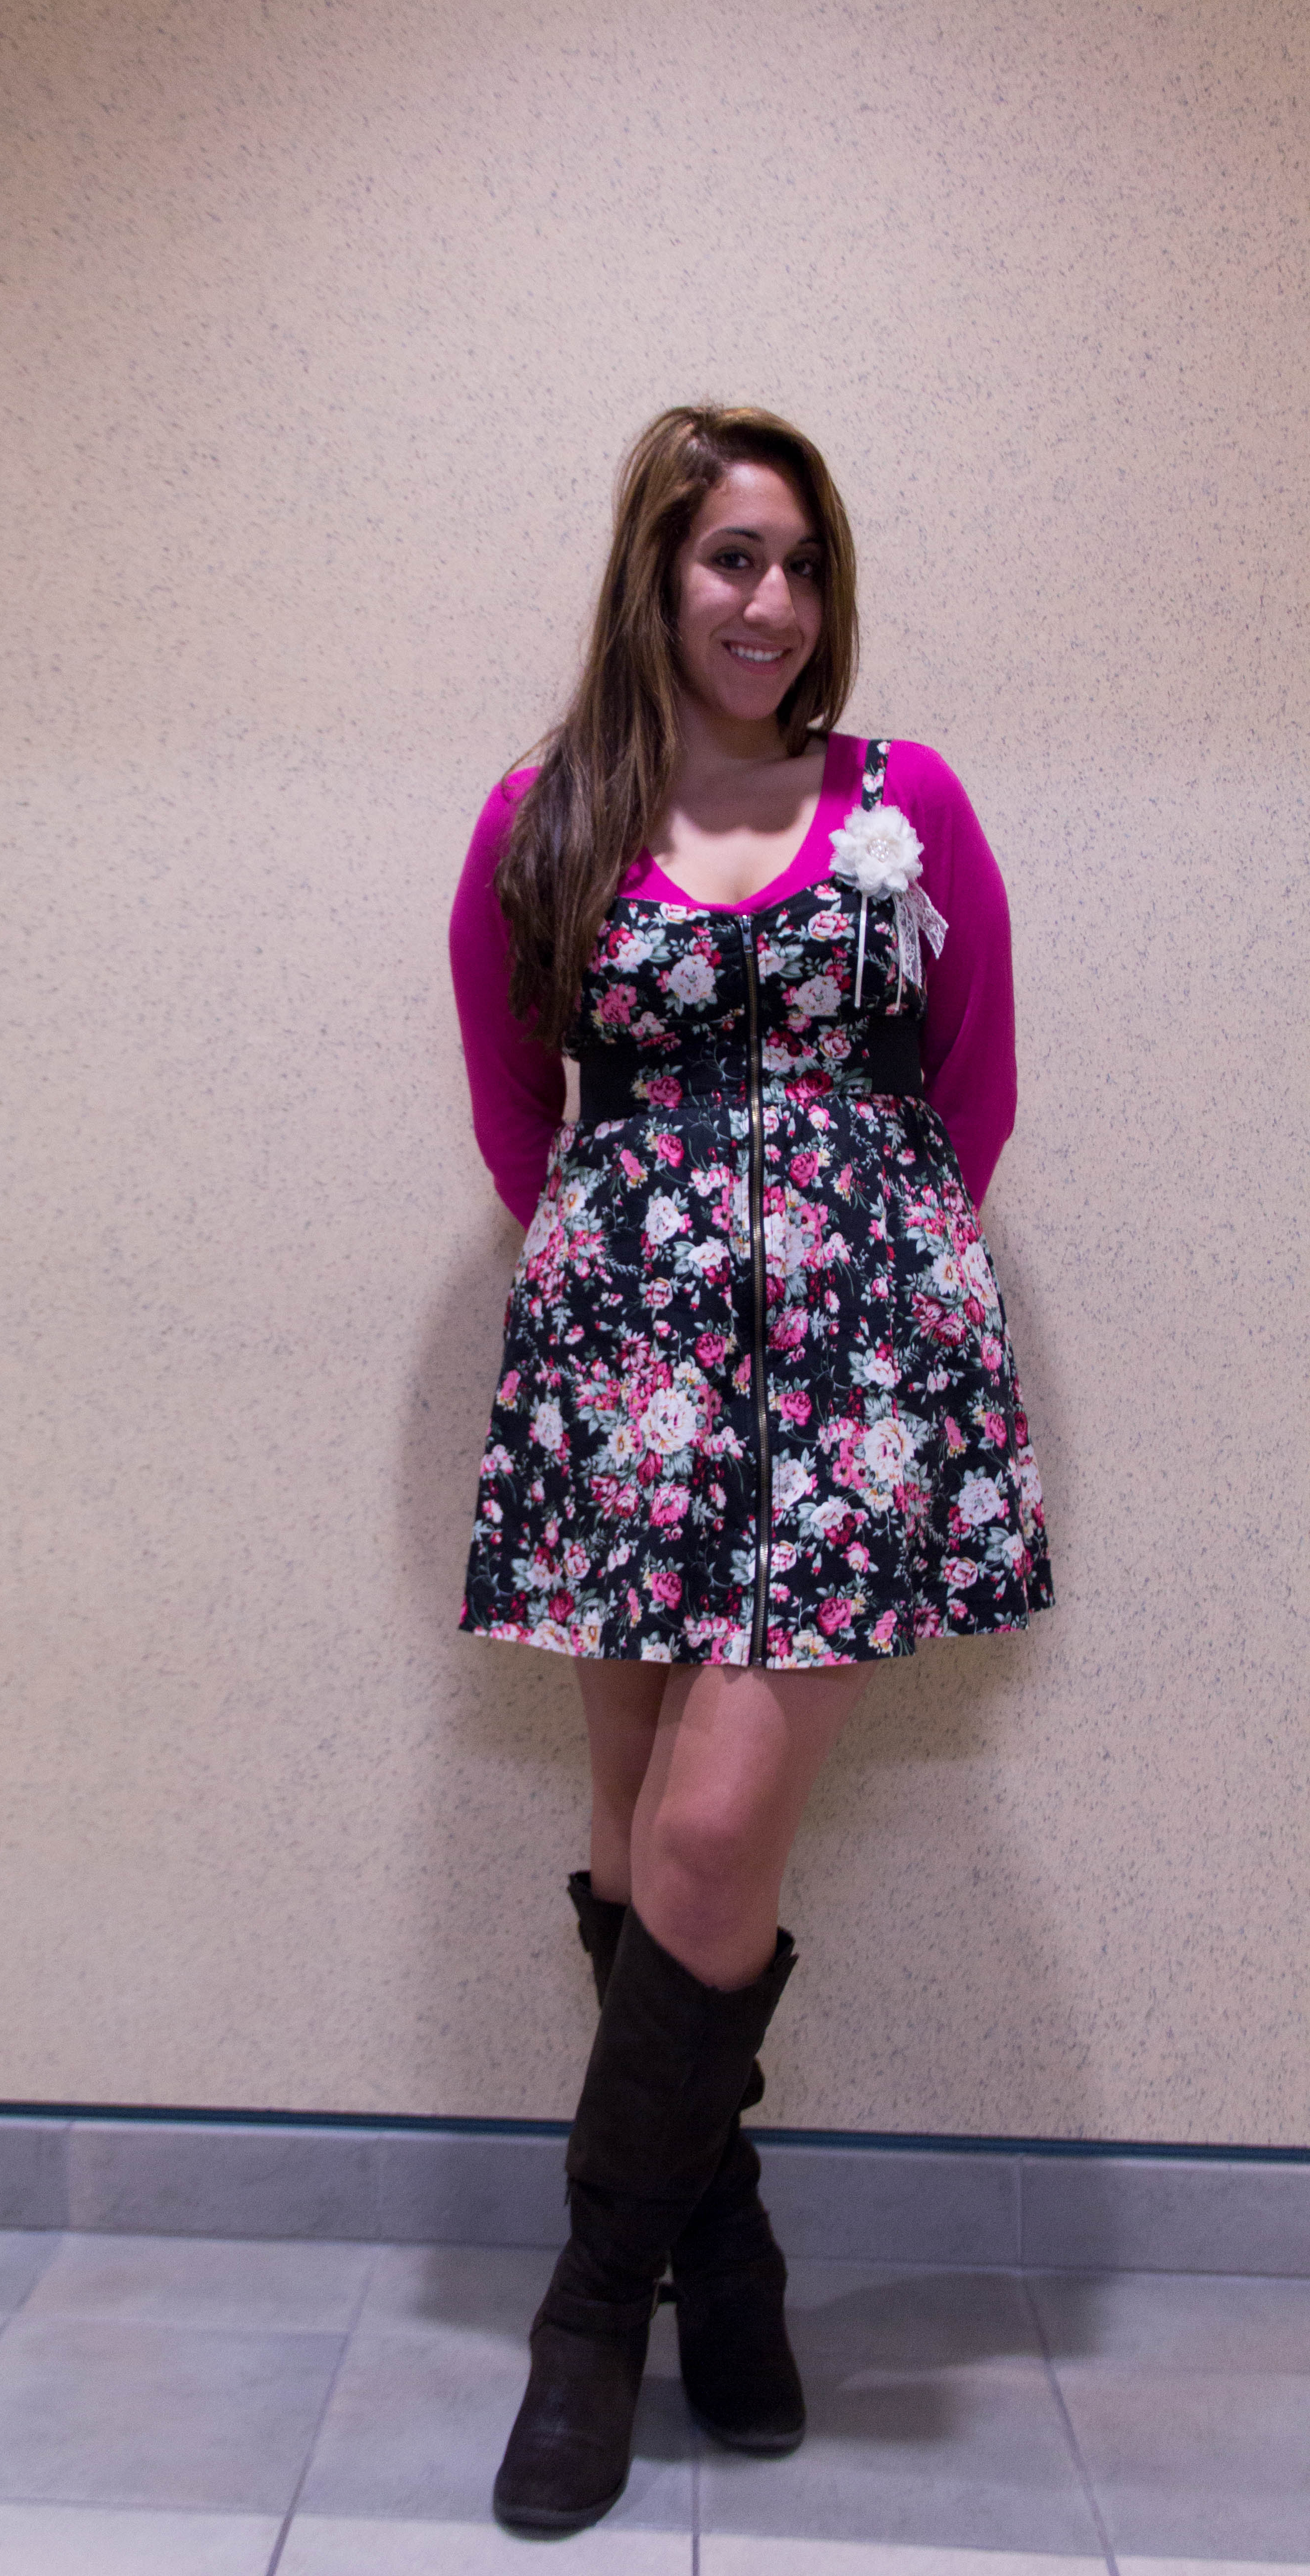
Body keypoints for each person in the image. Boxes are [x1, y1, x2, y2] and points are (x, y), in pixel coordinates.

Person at [447, 404, 1053, 2535]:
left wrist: (855, 1279)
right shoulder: (543, 822)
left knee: (706, 1839)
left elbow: (972, 1095)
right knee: (632, 1836)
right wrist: (648, 1284)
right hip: (627, 1380)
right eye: (731, 558)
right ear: (657, 574)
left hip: (859, 1387)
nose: (771, 601)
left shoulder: (908, 805)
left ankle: (588, 2315)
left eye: (801, 563)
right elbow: (518, 1112)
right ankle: (729, 2258)